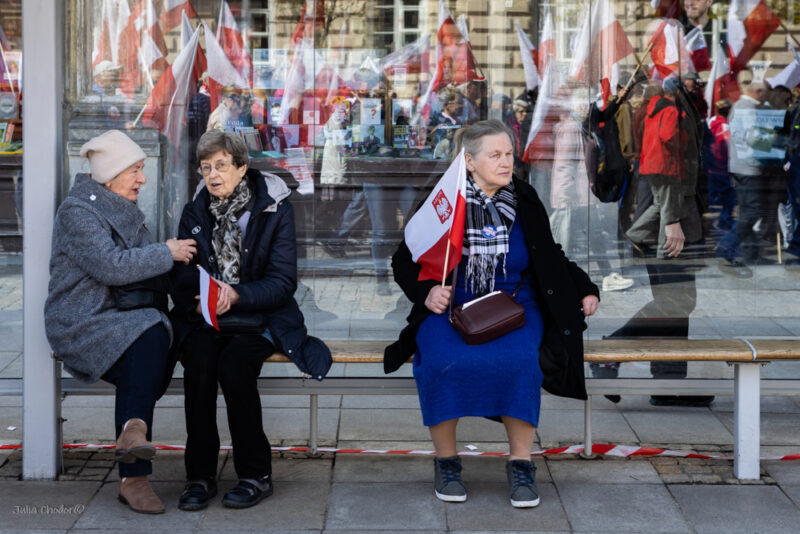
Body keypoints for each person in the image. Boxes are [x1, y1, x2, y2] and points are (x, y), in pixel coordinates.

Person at [385, 120, 599, 508]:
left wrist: (583, 287)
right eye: (495, 155)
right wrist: (426, 292)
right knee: (440, 361)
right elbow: (404, 260)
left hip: (515, 305)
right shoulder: (443, 200)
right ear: (469, 161)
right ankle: (446, 462)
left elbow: (550, 254)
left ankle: (521, 464)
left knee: (520, 362)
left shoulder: (524, 197)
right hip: (453, 306)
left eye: (509, 154)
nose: (506, 162)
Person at [170, 130, 332, 511]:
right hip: (209, 318)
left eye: (221, 166)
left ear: (242, 167)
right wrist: (196, 302)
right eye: (206, 168)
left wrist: (237, 294)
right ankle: (199, 476)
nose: (213, 175)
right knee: (199, 366)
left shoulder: (274, 208)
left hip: (263, 319)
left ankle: (255, 474)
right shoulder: (196, 211)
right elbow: (180, 275)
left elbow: (283, 282)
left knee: (234, 367)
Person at [44, 130, 198, 514]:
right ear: (111, 175)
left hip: (120, 318)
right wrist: (167, 251)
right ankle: (134, 476)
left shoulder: (122, 209)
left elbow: (146, 273)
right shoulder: (77, 213)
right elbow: (112, 267)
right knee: (146, 345)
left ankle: (133, 443)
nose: (142, 179)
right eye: (135, 171)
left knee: (154, 341)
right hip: (80, 321)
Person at [615, 77, 712, 407]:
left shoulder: (659, 108)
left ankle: (668, 384)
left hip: (668, 218)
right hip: (668, 222)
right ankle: (614, 350)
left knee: (675, 303)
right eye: (690, 78)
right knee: (677, 300)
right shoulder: (667, 110)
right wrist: (672, 222)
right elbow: (663, 170)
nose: (697, 83)